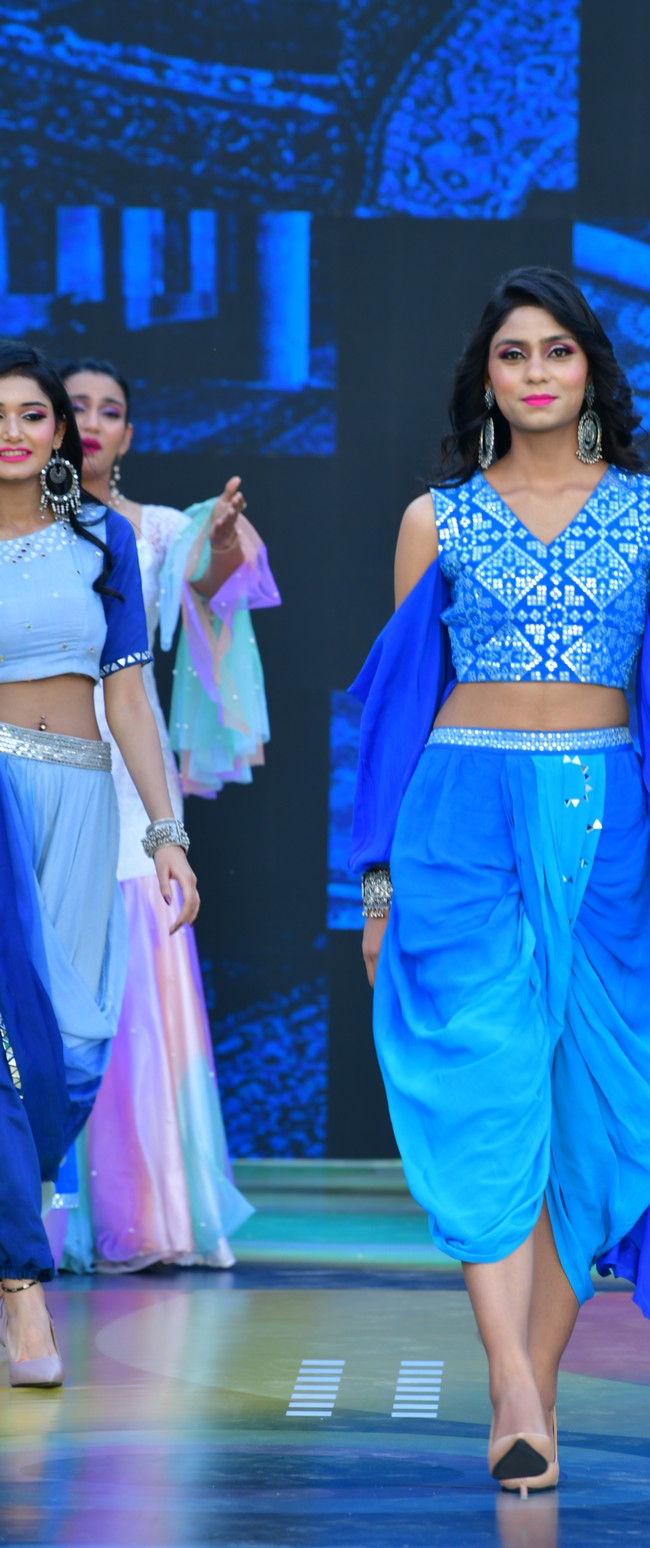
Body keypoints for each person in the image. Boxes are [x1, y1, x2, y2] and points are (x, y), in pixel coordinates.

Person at [349, 268, 650, 1492]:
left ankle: (538, 1382)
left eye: (557, 351)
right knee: (485, 1085)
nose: (535, 372)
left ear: (590, 371)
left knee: (589, 1107)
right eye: (513, 353)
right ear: (485, 377)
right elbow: (397, 713)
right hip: (459, 818)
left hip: (610, 826)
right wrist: (377, 885)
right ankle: (512, 1389)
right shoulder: (433, 520)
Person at [0, 340, 199, 1387]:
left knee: (74, 1046)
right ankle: (21, 1291)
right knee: (6, 1042)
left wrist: (166, 833)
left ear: (61, 432)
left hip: (83, 801)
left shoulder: (99, 537)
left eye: (32, 415)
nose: (13, 433)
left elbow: (128, 694)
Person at [52, 356, 279, 1273]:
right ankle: (36, 1216)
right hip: (29, 761)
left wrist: (221, 542)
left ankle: (137, 1210)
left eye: (110, 409)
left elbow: (216, 590)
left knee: (135, 971)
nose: (92, 422)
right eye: (74, 407)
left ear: (131, 433)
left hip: (124, 771)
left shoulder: (156, 532)